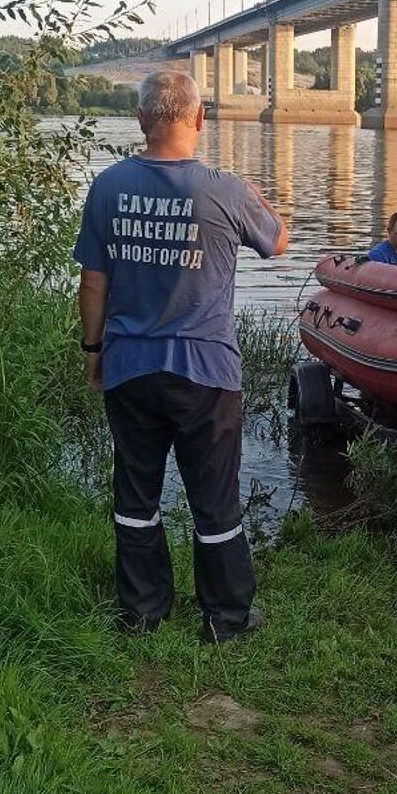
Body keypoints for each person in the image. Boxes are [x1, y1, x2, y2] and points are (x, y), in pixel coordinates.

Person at [74, 72, 289, 643]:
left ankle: (143, 612)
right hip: (207, 372)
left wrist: (93, 351)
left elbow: (92, 283)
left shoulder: (107, 187)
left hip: (130, 367)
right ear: (199, 120)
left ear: (141, 119)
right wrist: (254, 196)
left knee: (136, 490)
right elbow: (277, 240)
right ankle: (227, 619)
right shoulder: (226, 188)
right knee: (215, 498)